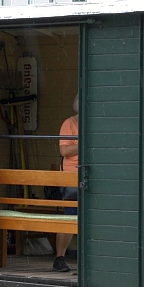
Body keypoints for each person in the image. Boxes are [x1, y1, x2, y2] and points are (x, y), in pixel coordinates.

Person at [54, 94, 79, 272]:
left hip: (92, 175)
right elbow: (64, 150)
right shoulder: (69, 123)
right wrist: (85, 142)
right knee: (70, 217)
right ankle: (59, 258)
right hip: (72, 177)